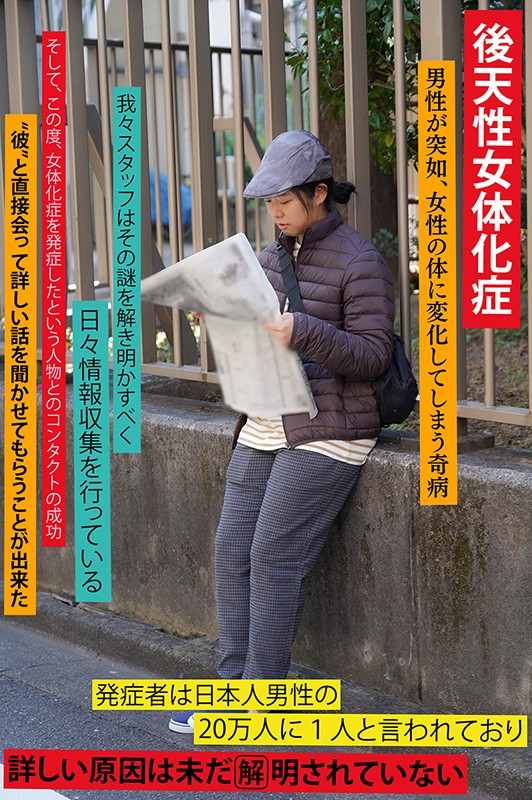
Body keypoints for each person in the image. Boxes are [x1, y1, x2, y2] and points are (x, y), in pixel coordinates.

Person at [169, 130, 395, 733]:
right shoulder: (270, 258)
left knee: (273, 554)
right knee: (231, 549)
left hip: (332, 425)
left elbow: (374, 356)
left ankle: (262, 696)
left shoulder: (361, 261)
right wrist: (221, 316)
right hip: (269, 415)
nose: (274, 211)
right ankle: (231, 688)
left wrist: (303, 331)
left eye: (284, 200)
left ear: (319, 193)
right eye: (268, 201)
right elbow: (260, 333)